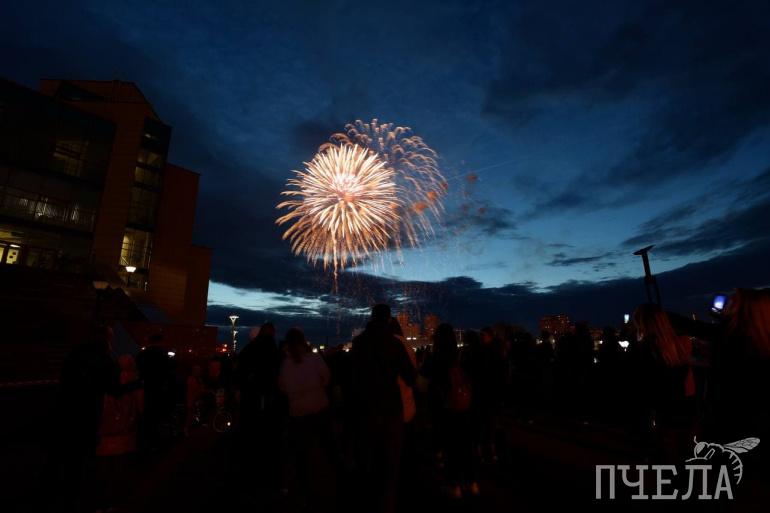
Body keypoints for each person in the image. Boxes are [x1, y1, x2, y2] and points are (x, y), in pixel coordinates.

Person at [350, 304, 416, 513]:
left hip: (365, 411)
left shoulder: (358, 343)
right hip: (390, 410)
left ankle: (367, 501)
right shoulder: (394, 344)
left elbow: (351, 378)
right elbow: (410, 377)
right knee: (390, 466)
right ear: (388, 319)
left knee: (368, 463)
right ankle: (387, 505)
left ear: (371, 317)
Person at [630, 303, 695, 462]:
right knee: (686, 451)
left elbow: (642, 384)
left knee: (668, 452)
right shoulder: (683, 343)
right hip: (684, 405)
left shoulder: (644, 348)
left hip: (661, 408)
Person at [277, 327, 333, 507]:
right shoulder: (314, 359)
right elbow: (327, 378)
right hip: (319, 408)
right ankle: (331, 480)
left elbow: (282, 387)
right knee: (326, 446)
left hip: (298, 412)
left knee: (301, 451)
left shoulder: (285, 364)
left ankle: (304, 486)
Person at [428, 322, 479, 499]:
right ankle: (472, 482)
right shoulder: (460, 356)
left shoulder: (436, 359)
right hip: (464, 406)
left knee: (451, 447)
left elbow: (427, 384)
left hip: (446, 408)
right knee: (465, 445)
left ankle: (454, 484)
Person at [94, 354, 144, 512]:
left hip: (105, 435)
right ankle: (117, 502)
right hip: (126, 434)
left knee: (104, 472)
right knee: (120, 471)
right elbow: (141, 408)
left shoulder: (102, 385)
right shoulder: (135, 383)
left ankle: (103, 503)